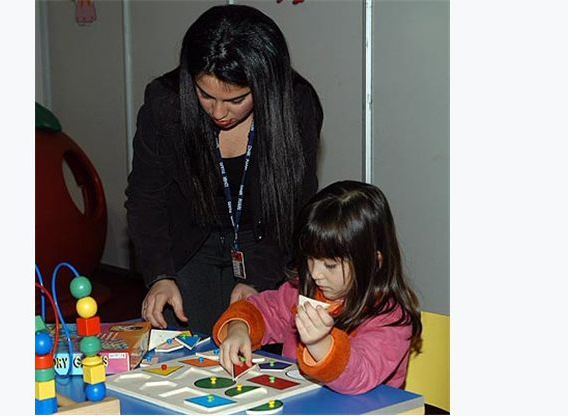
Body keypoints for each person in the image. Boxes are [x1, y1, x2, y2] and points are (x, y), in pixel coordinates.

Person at [125, 4, 323, 335]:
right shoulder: (165, 103)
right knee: (187, 345)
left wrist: (258, 278)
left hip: (266, 239)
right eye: (205, 95)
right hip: (189, 239)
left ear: (265, 86)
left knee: (256, 345)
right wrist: (160, 275)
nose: (219, 112)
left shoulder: (296, 105)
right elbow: (146, 197)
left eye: (236, 100)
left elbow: (294, 205)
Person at [212, 181, 422, 395]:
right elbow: (264, 310)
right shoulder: (302, 291)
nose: (315, 273)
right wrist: (239, 328)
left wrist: (321, 343)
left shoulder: (391, 319)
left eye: (330, 265)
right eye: (310, 258)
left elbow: (360, 376)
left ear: (373, 263)